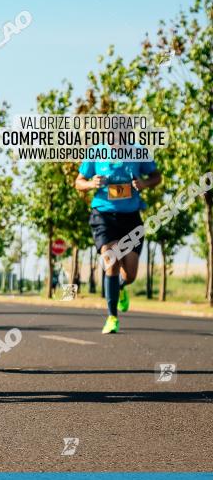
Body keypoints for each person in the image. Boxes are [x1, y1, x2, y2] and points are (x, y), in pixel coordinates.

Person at [75, 136, 161, 334]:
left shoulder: (139, 151)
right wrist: (91, 184)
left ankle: (121, 286)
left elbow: (157, 177)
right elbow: (78, 182)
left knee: (130, 274)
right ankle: (112, 317)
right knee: (111, 260)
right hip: (103, 215)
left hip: (131, 218)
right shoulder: (96, 151)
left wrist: (144, 184)